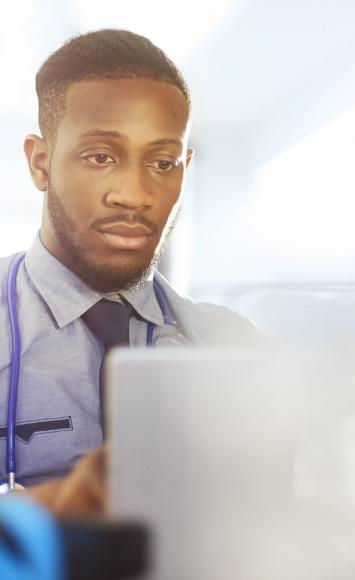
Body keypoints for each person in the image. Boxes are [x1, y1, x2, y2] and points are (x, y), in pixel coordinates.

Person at [0, 29, 265, 512]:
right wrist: (42, 514)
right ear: (41, 163)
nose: (135, 193)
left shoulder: (236, 348)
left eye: (163, 163)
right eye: (101, 157)